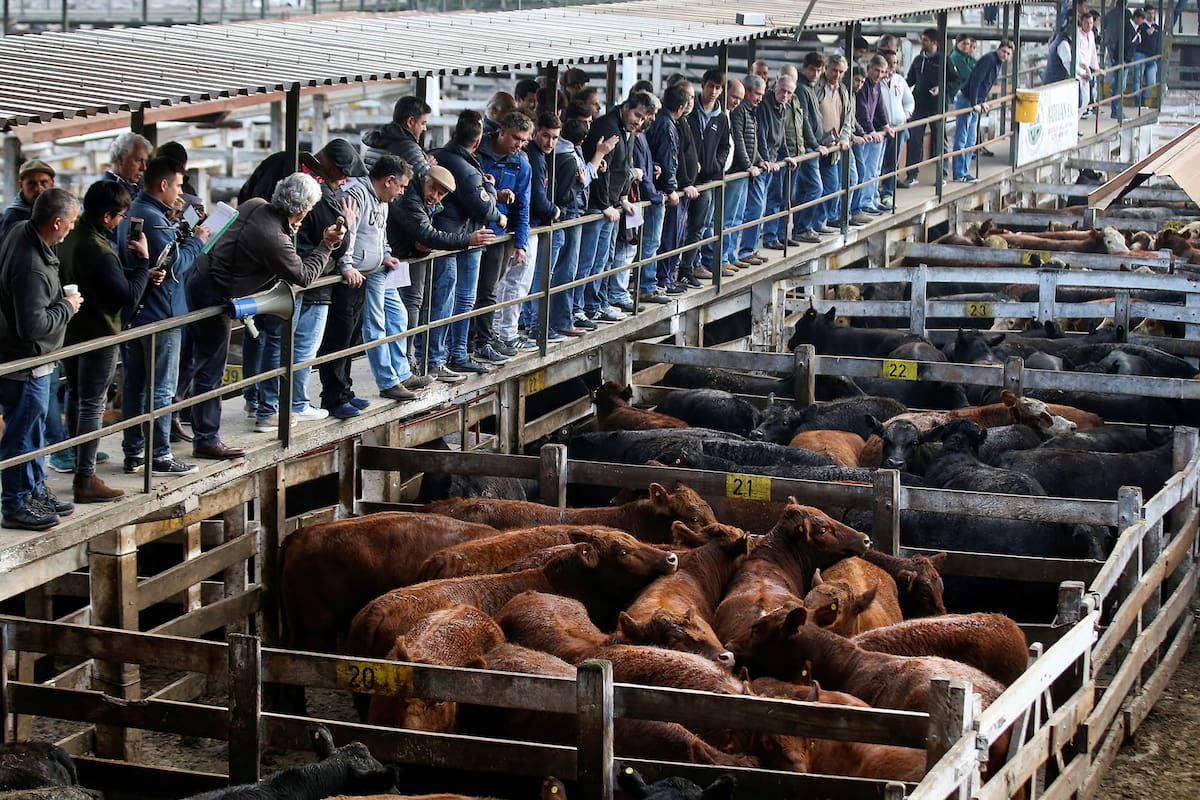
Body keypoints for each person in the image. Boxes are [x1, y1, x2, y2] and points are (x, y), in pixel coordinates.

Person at [183, 173, 345, 459]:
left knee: (190, 359)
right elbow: (304, 275)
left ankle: (172, 418)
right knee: (210, 368)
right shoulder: (274, 238)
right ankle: (206, 439)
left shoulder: (254, 205)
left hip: (198, 279)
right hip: (214, 294)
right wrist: (326, 245)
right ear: (302, 211)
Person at [238, 139, 365, 431]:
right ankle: (278, 407)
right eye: (343, 174)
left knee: (261, 339)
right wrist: (346, 223)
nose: (344, 181)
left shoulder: (275, 164)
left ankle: (255, 399)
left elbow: (245, 195)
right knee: (284, 343)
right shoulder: (316, 190)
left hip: (258, 274)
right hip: (297, 280)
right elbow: (338, 244)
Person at [58, 181, 151, 503]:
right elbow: (127, 295)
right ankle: (85, 477)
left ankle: (76, 462)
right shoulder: (98, 249)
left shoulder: (69, 236)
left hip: (69, 332)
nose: (122, 222)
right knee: (92, 403)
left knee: (74, 394)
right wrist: (142, 264)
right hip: (98, 333)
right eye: (120, 216)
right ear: (107, 216)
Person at [122, 157, 212, 476]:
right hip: (162, 314)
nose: (179, 192)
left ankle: (133, 450)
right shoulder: (154, 220)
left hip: (137, 314)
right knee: (160, 387)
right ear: (163, 184)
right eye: (177, 185)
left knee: (135, 384)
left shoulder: (136, 211)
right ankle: (159, 453)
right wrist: (196, 242)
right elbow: (174, 266)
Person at [0, 188, 81, 530]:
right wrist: (68, 306)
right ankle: (15, 503)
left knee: (32, 433)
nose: (72, 229)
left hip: (28, 361)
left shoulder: (22, 230)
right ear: (57, 222)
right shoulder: (31, 266)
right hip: (26, 364)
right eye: (71, 223)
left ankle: (32, 490)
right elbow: (32, 325)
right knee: (21, 435)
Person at [342, 155, 433, 404]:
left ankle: (402, 373)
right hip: (365, 272)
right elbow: (347, 234)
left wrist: (386, 255)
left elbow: (380, 233)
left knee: (399, 316)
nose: (402, 192)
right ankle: (387, 381)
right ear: (388, 181)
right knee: (376, 325)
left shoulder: (383, 200)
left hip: (379, 268)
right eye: (401, 186)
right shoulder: (357, 194)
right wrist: (347, 266)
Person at [422, 111, 500, 383]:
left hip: (448, 237)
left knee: (440, 300)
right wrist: (490, 190)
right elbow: (484, 208)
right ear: (478, 142)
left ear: (454, 134)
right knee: (453, 299)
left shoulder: (435, 155)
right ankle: (442, 357)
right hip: (457, 238)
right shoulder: (468, 169)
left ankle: (443, 355)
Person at [576, 92, 651, 329]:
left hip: (613, 205)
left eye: (643, 118)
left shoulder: (627, 130)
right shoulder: (608, 126)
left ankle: (598, 302)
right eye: (637, 114)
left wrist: (621, 198)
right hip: (599, 208)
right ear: (626, 106)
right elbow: (602, 171)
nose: (638, 121)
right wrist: (604, 204)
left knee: (605, 259)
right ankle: (586, 307)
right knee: (590, 261)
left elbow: (623, 166)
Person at [469, 111, 532, 366]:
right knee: (467, 293)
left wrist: (521, 243)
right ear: (502, 131)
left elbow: (524, 205)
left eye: (524, 141)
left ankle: (483, 339)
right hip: (472, 234)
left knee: (488, 291)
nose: (519, 144)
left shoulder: (521, 163)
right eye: (517, 138)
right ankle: (470, 341)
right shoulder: (477, 152)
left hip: (498, 237)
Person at [500, 111, 560, 350]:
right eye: (546, 136)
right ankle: (505, 333)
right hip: (522, 229)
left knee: (514, 283)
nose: (550, 142)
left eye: (555, 137)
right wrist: (553, 210)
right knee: (513, 283)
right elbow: (533, 200)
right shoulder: (531, 159)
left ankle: (505, 332)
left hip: (523, 228)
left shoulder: (529, 157)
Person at [685, 69, 731, 281]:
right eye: (711, 86)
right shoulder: (690, 113)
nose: (713, 91)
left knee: (700, 224)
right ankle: (684, 268)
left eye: (718, 88)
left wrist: (716, 165)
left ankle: (691, 266)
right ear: (702, 85)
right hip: (686, 179)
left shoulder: (721, 118)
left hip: (707, 180)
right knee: (683, 226)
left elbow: (724, 147)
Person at [952, 40, 1013, 182]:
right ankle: (959, 173)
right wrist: (975, 103)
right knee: (962, 137)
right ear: (998, 50)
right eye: (1003, 51)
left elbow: (984, 84)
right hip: (967, 99)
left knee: (971, 139)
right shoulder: (989, 60)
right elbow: (976, 81)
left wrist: (981, 101)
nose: (1005, 55)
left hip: (974, 101)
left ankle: (964, 172)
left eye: (1008, 54)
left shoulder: (996, 62)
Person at [903, 29, 954, 187]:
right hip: (919, 105)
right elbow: (909, 80)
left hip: (936, 107)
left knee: (940, 140)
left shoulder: (944, 60)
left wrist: (942, 88)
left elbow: (955, 81)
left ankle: (942, 174)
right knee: (915, 140)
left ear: (934, 42)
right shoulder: (919, 60)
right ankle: (912, 175)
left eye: (925, 40)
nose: (922, 42)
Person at [792, 53, 831, 241]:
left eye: (819, 70)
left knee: (804, 189)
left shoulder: (810, 88)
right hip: (808, 147)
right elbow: (804, 119)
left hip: (813, 145)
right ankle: (802, 227)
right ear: (804, 68)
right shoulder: (801, 88)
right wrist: (815, 144)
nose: (816, 73)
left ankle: (801, 227)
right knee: (815, 187)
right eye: (812, 69)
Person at [817, 55, 856, 228]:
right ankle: (821, 221)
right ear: (827, 68)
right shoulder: (818, 89)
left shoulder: (843, 90)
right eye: (834, 70)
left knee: (846, 181)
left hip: (838, 145)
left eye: (841, 72)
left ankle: (836, 216)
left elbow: (848, 117)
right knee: (824, 187)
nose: (837, 75)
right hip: (821, 145)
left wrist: (845, 137)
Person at [854, 57, 893, 213]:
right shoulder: (863, 87)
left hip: (873, 134)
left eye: (882, 72)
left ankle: (873, 198)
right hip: (863, 135)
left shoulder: (876, 86)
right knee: (867, 171)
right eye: (876, 70)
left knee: (876, 170)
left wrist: (886, 126)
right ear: (869, 67)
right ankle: (865, 201)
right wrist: (870, 131)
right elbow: (862, 111)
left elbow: (879, 108)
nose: (879, 74)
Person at [879, 49, 914, 207]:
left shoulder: (899, 80)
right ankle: (873, 195)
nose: (892, 66)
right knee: (877, 164)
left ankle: (887, 193)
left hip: (898, 128)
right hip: (880, 129)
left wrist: (905, 115)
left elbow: (909, 101)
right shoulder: (876, 81)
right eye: (889, 62)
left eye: (894, 62)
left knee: (892, 163)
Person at [0, 159, 56, 241]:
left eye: (44, 182)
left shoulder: (59, 211)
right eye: (31, 183)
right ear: (21, 185)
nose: (38, 188)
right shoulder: (13, 217)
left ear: (52, 184)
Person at [1133, 7, 1161, 107]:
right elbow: (1137, 40)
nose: (1151, 16)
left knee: (1151, 81)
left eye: (1153, 13)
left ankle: (1143, 99)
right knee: (1137, 79)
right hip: (1140, 55)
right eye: (1149, 13)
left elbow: (1159, 42)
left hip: (1152, 57)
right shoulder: (1140, 26)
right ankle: (1137, 101)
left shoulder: (1156, 27)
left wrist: (1158, 54)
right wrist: (1146, 33)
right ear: (1145, 14)